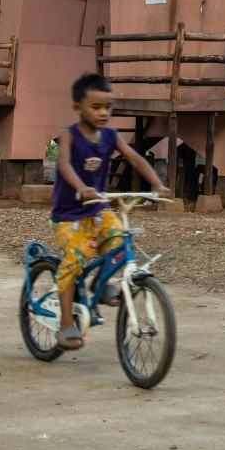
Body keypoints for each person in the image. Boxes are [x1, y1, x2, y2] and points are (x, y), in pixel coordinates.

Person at [50, 72, 168, 349]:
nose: (104, 113)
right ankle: (67, 322)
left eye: (108, 107)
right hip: (69, 214)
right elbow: (65, 164)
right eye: (96, 107)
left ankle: (100, 285)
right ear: (78, 108)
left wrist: (156, 183)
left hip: (99, 210)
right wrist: (82, 187)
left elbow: (135, 158)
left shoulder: (111, 136)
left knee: (118, 239)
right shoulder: (69, 136)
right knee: (74, 261)